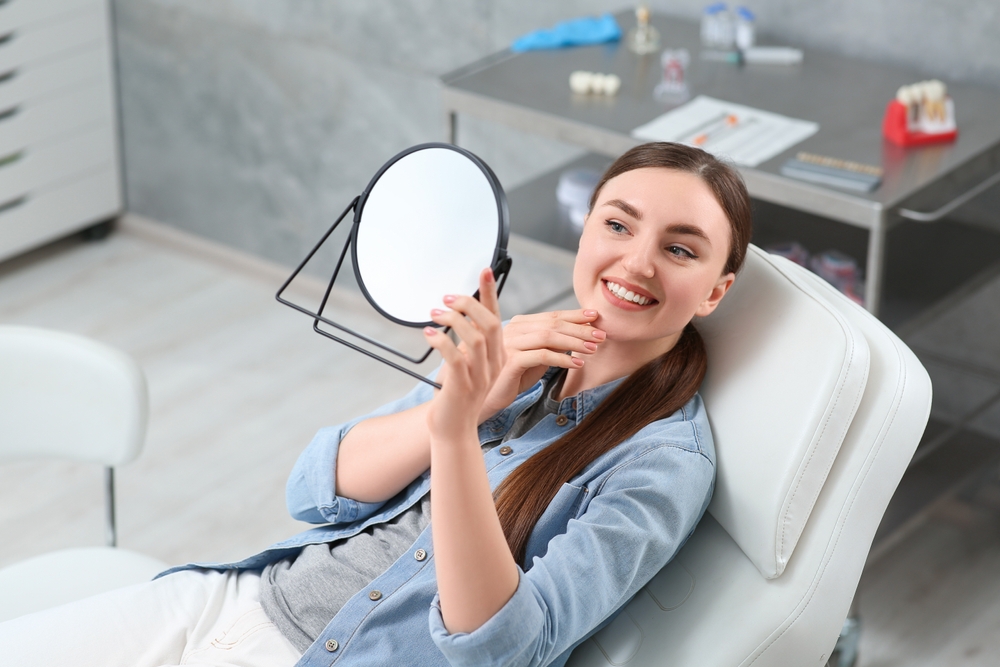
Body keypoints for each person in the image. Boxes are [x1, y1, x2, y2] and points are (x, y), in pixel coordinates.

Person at [0, 142, 752, 666]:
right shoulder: (517, 349)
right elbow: (313, 487)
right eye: (617, 224)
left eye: (680, 249)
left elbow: (504, 646)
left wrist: (456, 436)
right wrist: (467, 403)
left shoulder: (661, 463)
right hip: (234, 599)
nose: (636, 261)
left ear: (715, 291)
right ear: (586, 232)